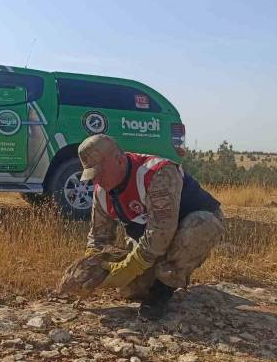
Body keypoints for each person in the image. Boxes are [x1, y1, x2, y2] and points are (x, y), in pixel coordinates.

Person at [61, 134, 224, 314]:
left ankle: (164, 288)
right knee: (130, 290)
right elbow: (98, 239)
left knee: (202, 225)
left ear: (120, 160)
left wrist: (131, 266)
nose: (96, 180)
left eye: (99, 172)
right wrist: (91, 268)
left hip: (191, 225)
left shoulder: (157, 173)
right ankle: (158, 275)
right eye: (92, 175)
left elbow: (162, 231)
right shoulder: (102, 192)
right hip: (150, 239)